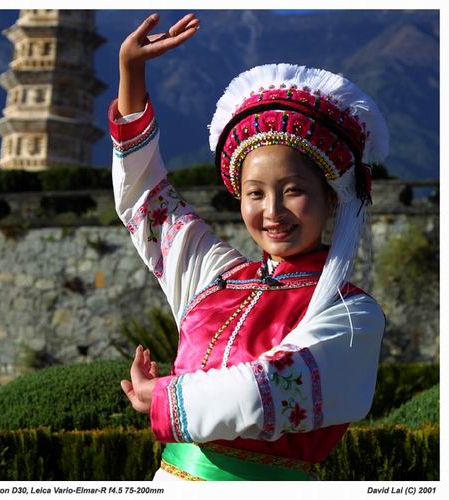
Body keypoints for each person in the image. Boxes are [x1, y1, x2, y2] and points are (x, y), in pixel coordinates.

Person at [112, 12, 389, 481]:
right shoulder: (215, 279)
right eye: (255, 193)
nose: (272, 210)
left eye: (293, 190)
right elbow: (147, 198)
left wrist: (162, 396)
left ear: (330, 197)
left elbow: (270, 388)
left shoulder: (351, 315)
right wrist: (131, 74)